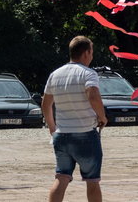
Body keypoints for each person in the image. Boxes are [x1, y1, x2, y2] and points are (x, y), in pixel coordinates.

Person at [41, 36, 108, 202]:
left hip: (62, 135)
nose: (92, 56)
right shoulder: (88, 73)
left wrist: (52, 128)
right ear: (86, 53)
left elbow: (46, 104)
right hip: (85, 134)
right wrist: (102, 117)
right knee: (92, 181)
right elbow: (93, 96)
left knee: (61, 177)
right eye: (91, 52)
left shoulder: (55, 74)